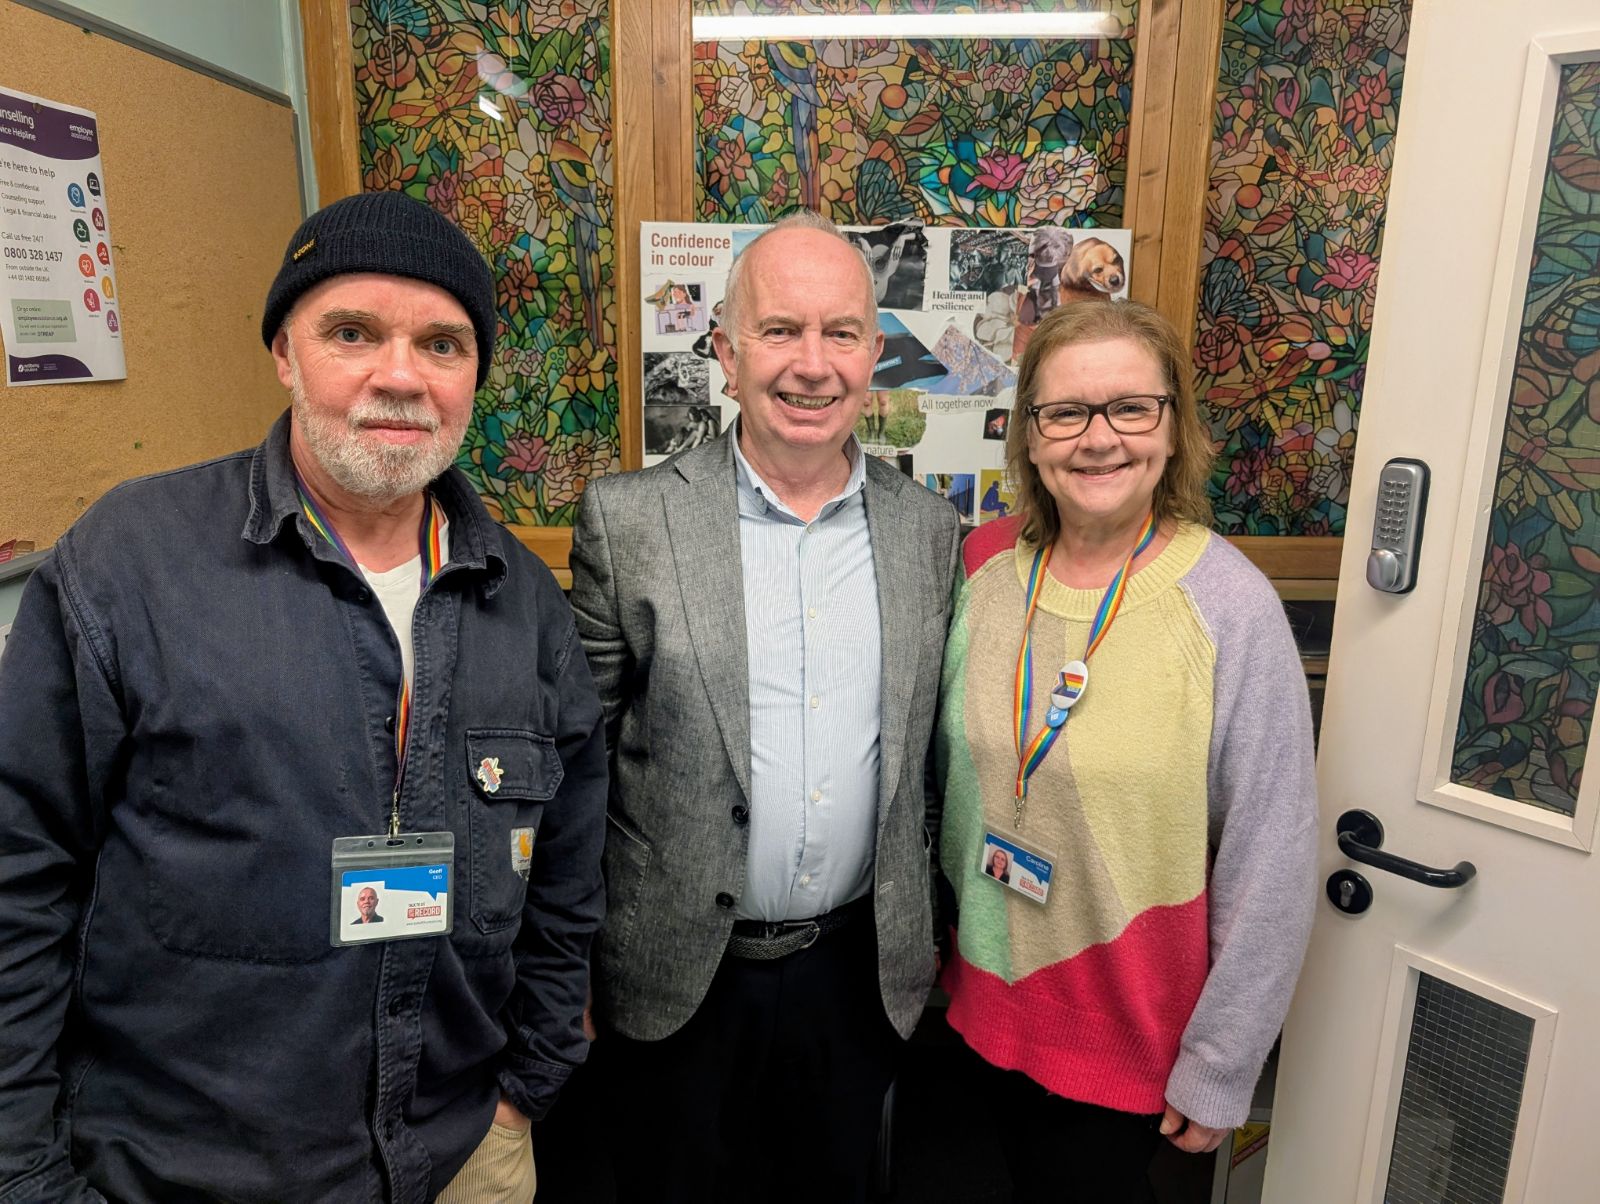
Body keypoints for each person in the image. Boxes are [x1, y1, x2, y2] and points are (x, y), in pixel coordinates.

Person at [0, 190, 607, 1203]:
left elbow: (569, 872)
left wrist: (527, 1084)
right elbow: (20, 876)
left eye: (443, 344)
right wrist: (23, 1169)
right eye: (352, 332)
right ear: (284, 352)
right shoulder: (129, 565)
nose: (400, 375)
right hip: (185, 1168)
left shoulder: (524, 600)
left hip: (460, 1149)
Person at [569, 210, 961, 1204]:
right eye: (781, 330)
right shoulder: (630, 520)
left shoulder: (929, 533)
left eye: (840, 333)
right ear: (726, 355)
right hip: (674, 979)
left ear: (876, 356)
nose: (812, 364)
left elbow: (931, 769)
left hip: (856, 978)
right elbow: (576, 763)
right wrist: (561, 966)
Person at [935, 299, 1317, 1200]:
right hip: (973, 1012)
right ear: (1029, 438)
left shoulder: (1229, 605)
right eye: (1066, 412)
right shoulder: (980, 571)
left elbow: (1276, 853)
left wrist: (1223, 1062)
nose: (1098, 438)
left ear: (1173, 426)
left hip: (1129, 1044)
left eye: (1131, 408)